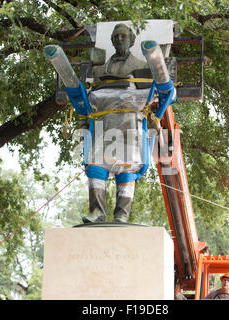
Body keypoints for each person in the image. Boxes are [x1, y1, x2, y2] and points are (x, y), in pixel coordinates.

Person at [45, 22, 176, 224]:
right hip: (102, 120)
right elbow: (83, 95)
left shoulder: (142, 67)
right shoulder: (101, 70)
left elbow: (167, 91)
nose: (119, 40)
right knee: (96, 166)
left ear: (132, 40)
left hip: (131, 121)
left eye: (124, 36)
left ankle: (122, 215)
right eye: (116, 37)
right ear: (112, 41)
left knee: (128, 167)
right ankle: (97, 212)